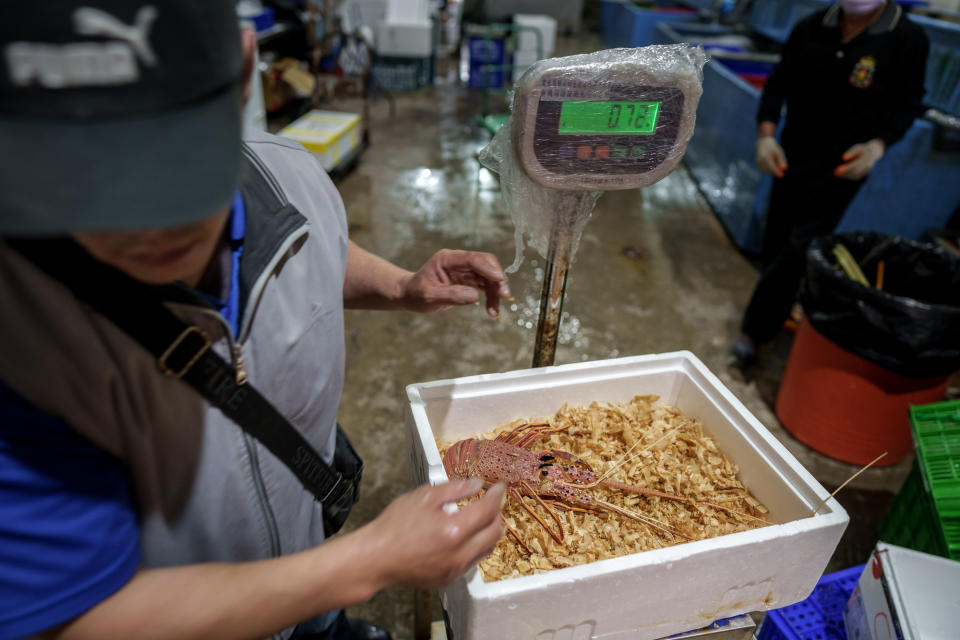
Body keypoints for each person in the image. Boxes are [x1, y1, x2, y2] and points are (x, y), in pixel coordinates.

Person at [0, 3, 509, 639]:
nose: (143, 225)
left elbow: (310, 244)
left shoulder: (288, 172)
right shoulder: (21, 340)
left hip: (306, 583)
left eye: (175, 158)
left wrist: (399, 286)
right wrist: (367, 561)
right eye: (82, 175)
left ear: (244, 74)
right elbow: (70, 617)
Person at [731, 0, 929, 366]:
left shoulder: (907, 38)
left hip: (842, 170)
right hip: (790, 160)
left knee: (797, 249)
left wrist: (877, 146)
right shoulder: (810, 26)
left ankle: (752, 333)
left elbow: (909, 103)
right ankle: (779, 312)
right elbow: (778, 86)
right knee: (775, 246)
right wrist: (766, 136)